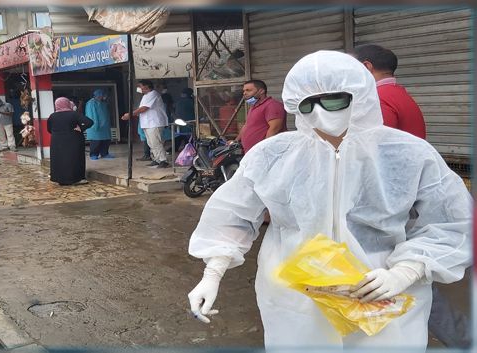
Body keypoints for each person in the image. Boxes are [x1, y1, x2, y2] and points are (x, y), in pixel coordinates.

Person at [187, 51, 471, 350]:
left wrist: (407, 270)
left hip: (380, 293)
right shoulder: (273, 154)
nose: (321, 114)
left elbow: (453, 220)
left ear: (359, 94)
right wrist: (213, 273)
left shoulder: (407, 153)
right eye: (308, 105)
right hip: (295, 297)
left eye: (334, 100)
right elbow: (233, 214)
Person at [355, 44, 468, 349]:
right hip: (407, 196)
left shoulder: (377, 103)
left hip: (391, 202)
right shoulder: (402, 96)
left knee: (407, 275)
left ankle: (463, 338)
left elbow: (372, 156)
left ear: (365, 68)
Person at [353, 44, 426, 139]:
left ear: (366, 67)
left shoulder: (375, 98)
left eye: (351, 66)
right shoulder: (399, 93)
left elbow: (375, 143)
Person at [121, 80, 170, 168]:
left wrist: (130, 114)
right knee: (151, 143)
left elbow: (144, 108)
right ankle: (156, 159)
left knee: (156, 142)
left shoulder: (153, 94)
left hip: (154, 122)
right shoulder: (146, 96)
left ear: (146, 86)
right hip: (148, 123)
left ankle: (163, 160)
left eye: (140, 86)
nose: (138, 88)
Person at [47, 97, 94, 185]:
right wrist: (81, 128)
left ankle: (58, 178)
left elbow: (49, 129)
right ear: (67, 103)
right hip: (73, 141)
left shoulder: (52, 116)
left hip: (57, 142)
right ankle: (76, 179)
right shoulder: (73, 114)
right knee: (74, 159)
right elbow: (89, 122)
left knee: (59, 159)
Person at [234, 80, 287, 153]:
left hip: (265, 153)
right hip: (251, 153)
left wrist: (264, 149)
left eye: (248, 90)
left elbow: (275, 128)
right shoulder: (253, 107)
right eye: (244, 91)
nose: (244, 93)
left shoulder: (272, 105)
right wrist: (236, 141)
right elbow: (246, 126)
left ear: (261, 91)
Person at [85, 89, 114, 160]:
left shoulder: (103, 103)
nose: (104, 97)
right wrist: (94, 124)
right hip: (96, 125)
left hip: (105, 126)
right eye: (102, 95)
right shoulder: (91, 103)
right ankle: (94, 154)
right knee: (96, 141)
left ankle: (105, 153)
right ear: (98, 95)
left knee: (106, 140)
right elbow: (91, 115)